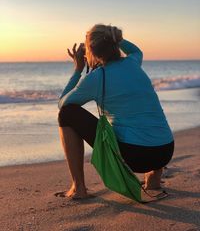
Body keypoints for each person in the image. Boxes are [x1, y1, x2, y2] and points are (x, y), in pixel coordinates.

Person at [58, 24, 174, 199]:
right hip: (165, 151)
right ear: (115, 42)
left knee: (67, 115)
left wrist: (77, 70)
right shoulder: (133, 62)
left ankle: (78, 188)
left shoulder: (97, 77)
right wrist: (112, 36)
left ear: (91, 50)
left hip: (135, 157)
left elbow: (63, 104)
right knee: (145, 115)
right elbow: (136, 50)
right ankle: (154, 177)